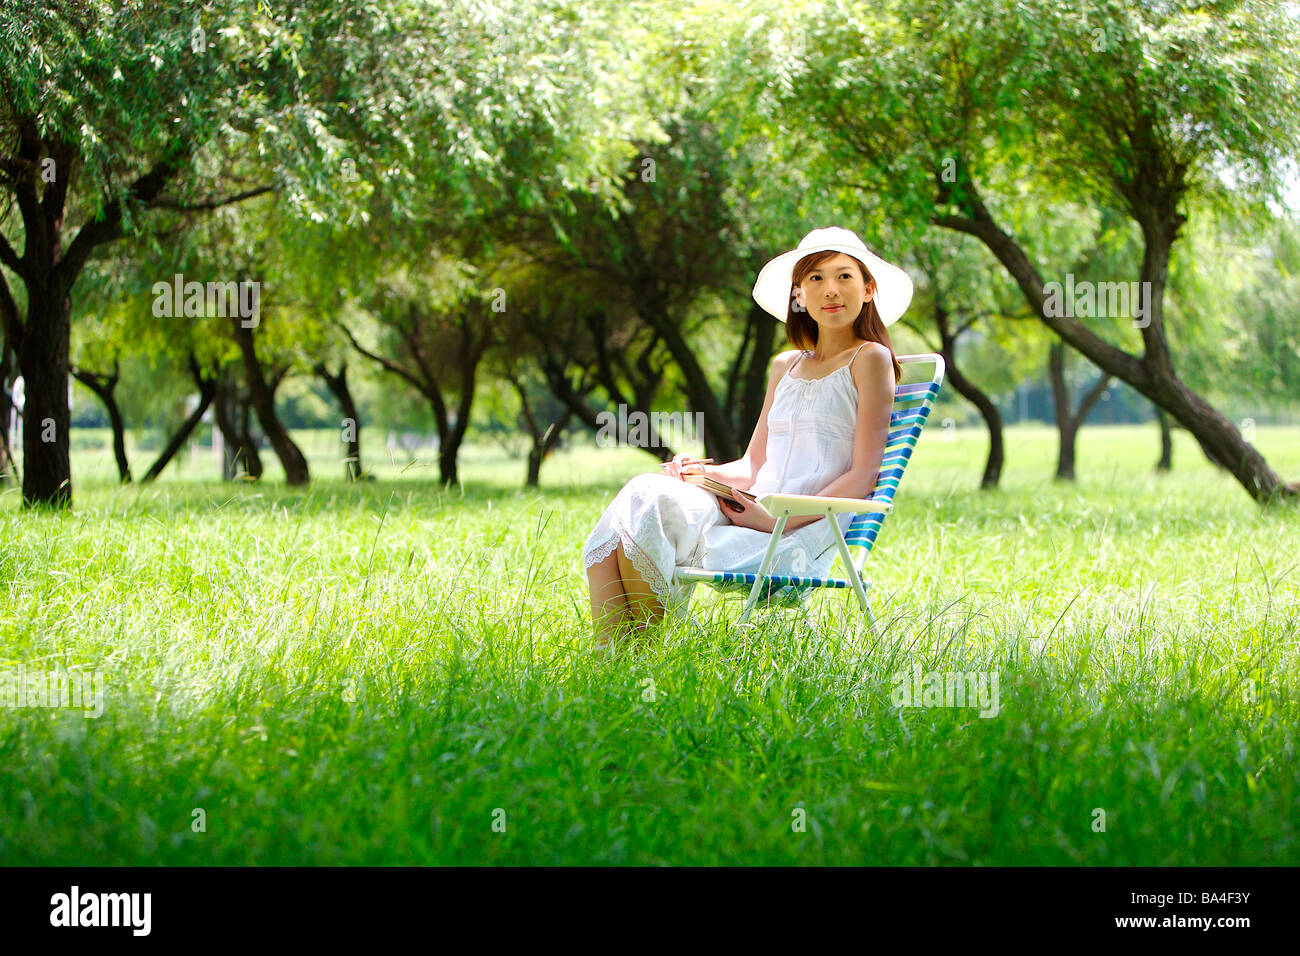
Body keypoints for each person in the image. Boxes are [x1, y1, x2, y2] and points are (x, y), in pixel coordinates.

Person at [582, 226, 912, 646]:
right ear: (799, 294)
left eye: (844, 276)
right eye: (816, 278)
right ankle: (614, 654)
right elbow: (754, 466)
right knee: (644, 490)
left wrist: (776, 517)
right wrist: (697, 473)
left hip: (797, 532)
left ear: (868, 289)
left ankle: (638, 657)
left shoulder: (871, 358)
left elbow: (865, 476)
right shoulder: (785, 366)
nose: (831, 290)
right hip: (751, 513)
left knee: (644, 503)